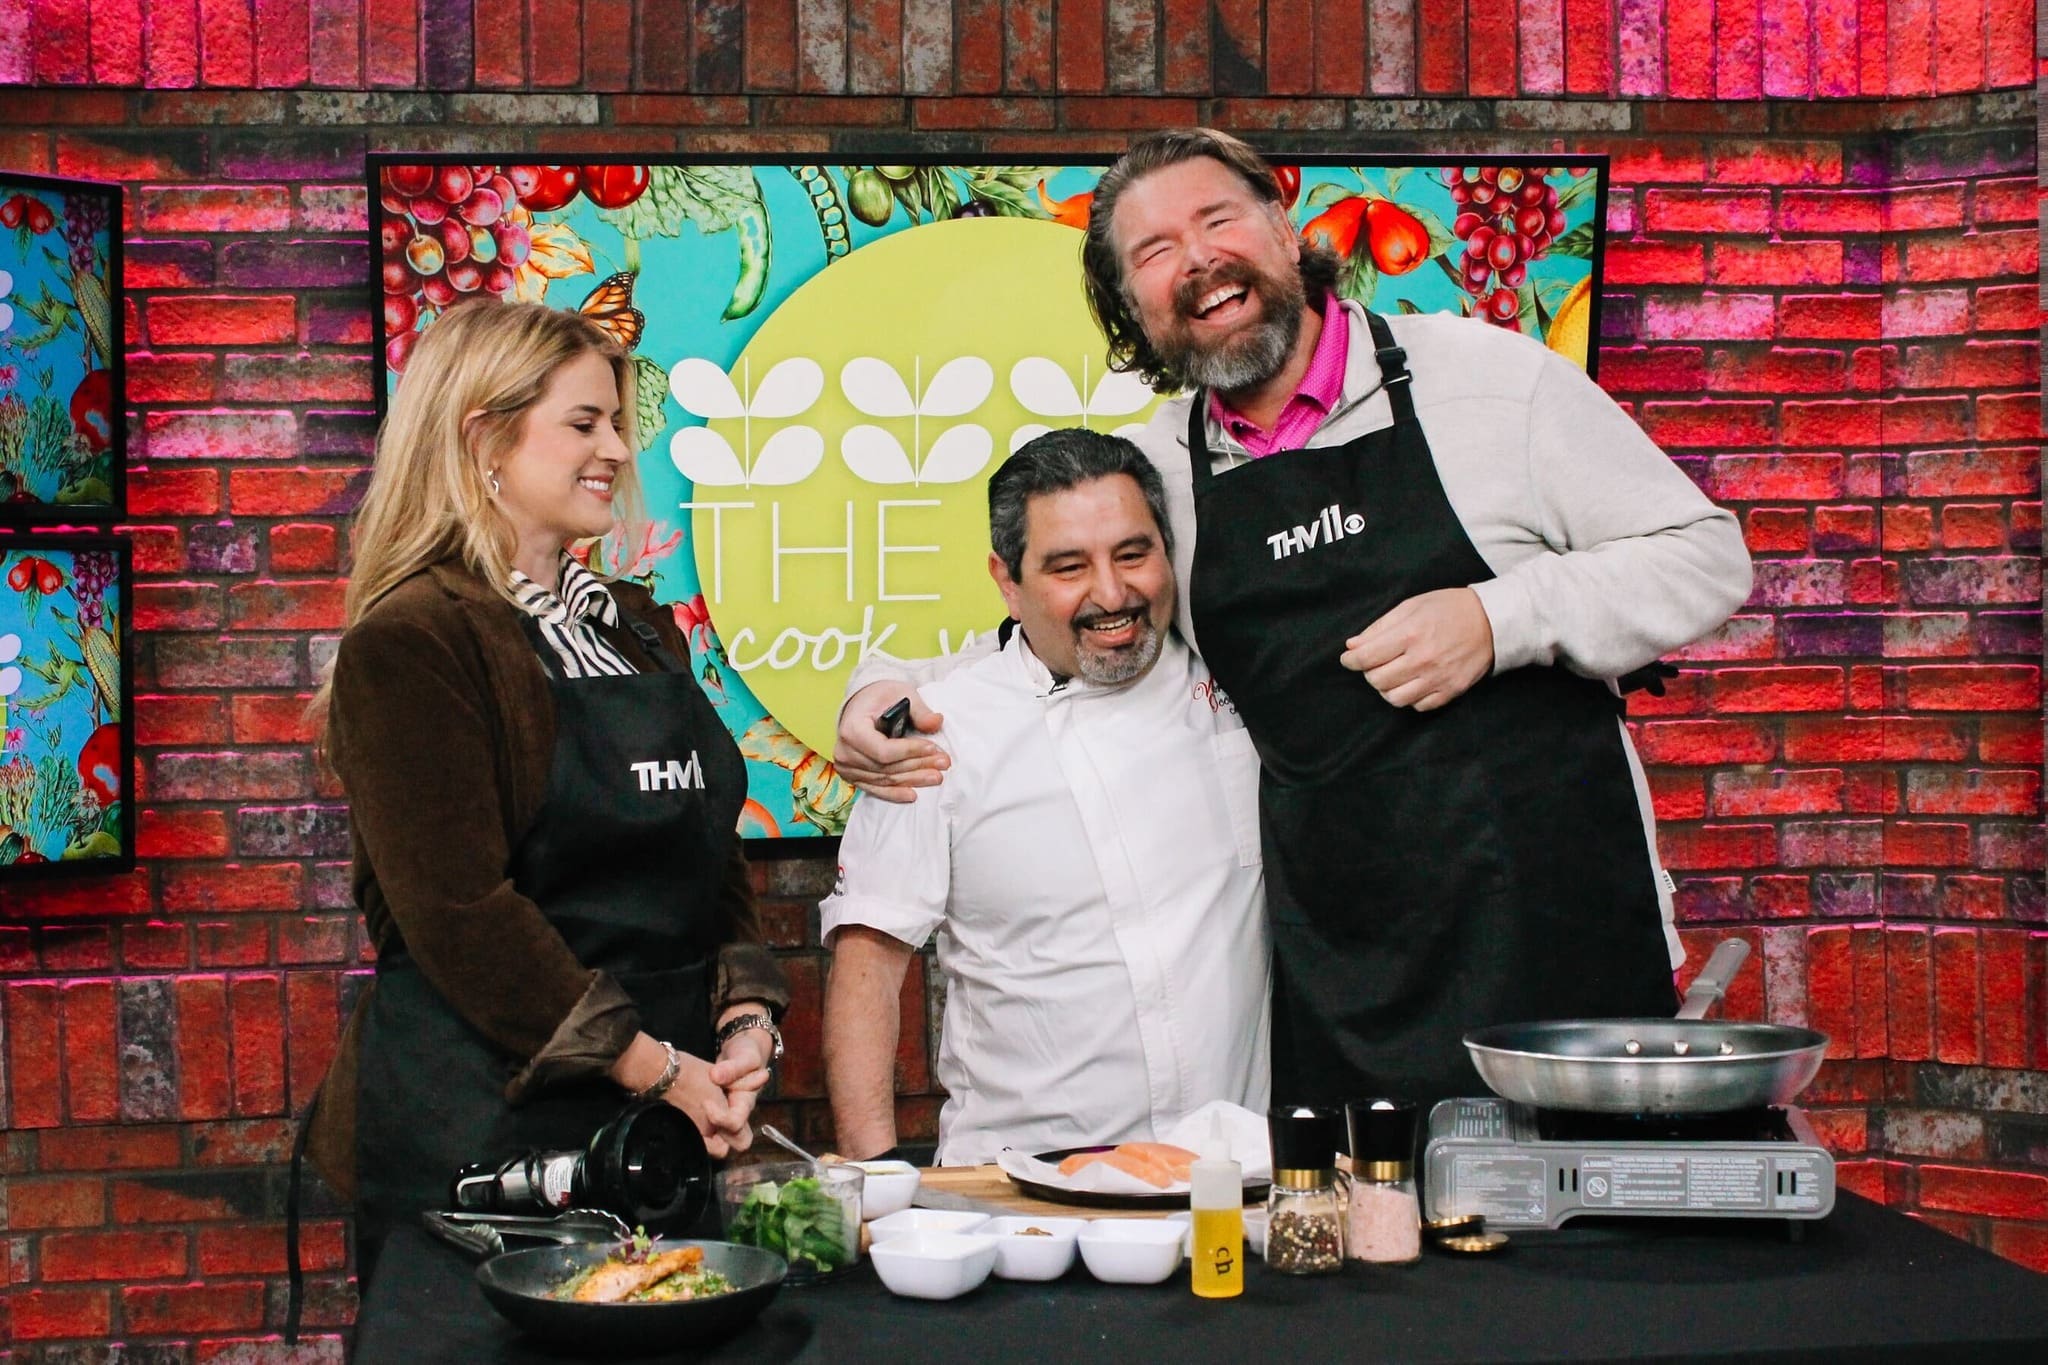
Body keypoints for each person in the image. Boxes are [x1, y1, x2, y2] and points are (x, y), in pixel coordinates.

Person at [835, 129, 1752, 1108]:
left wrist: (1498, 618)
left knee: (1585, 1252)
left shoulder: (1488, 380)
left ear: (1280, 227)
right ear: (1130, 309)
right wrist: (884, 691)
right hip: (1341, 977)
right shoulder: (1158, 470)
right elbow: (1076, 622)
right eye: (1150, 254)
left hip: (1555, 937)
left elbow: (1703, 558)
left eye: (1216, 219)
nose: (1194, 260)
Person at [301, 298, 789, 1281]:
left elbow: (708, 851)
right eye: (584, 422)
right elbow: (459, 917)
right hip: (489, 1130)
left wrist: (743, 1016)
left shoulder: (637, 626)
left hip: (665, 1118)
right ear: (483, 436)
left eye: (615, 421)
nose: (615, 446)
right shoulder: (414, 643)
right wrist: (656, 1069)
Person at [821, 429, 1269, 1164]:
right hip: (1019, 1189)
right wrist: (874, 1185)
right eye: (1069, 567)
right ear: (1008, 580)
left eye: (1133, 553)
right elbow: (869, 959)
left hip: (1226, 1177)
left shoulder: (1234, 680)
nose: (1113, 593)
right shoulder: (937, 729)